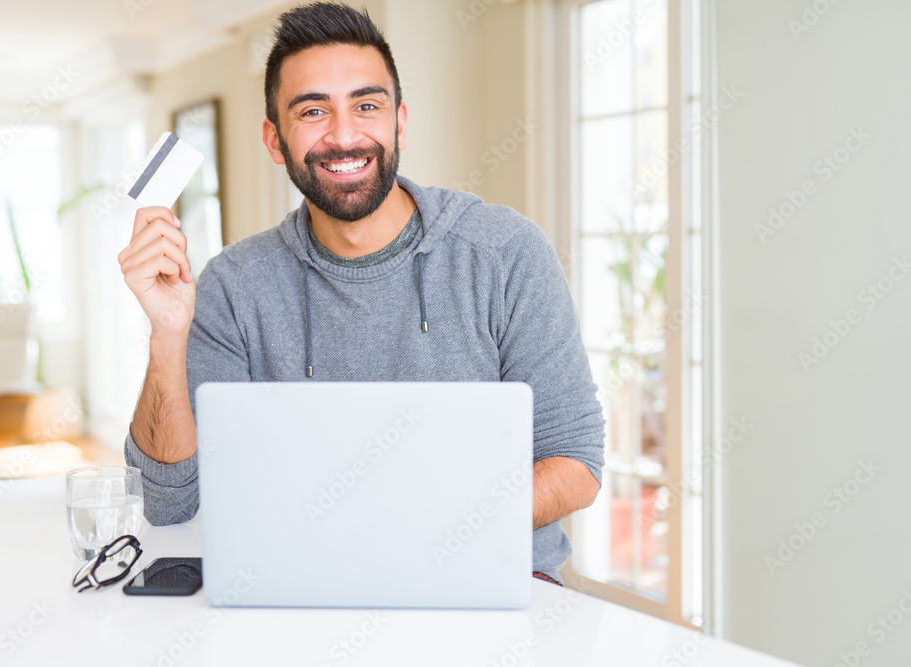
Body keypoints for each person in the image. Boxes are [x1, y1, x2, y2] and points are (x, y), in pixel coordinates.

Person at [118, 1, 605, 587]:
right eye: (313, 111)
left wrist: (408, 530)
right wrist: (168, 335)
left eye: (366, 106)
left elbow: (575, 463)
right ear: (275, 140)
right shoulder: (232, 286)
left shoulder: (504, 253)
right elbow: (166, 503)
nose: (344, 135)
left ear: (399, 122)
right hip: (300, 584)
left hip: (488, 581)